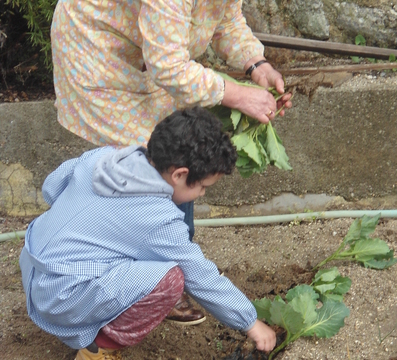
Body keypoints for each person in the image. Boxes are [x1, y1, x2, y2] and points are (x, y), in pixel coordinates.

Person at [51, 0, 293, 321]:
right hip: (97, 49)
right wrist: (237, 94)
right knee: (154, 166)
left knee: (166, 160)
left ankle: (161, 266)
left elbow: (223, 18)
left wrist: (255, 64)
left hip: (143, 58)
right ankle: (145, 280)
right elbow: (167, 66)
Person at [19, 107, 277, 360]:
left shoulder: (105, 157)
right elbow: (201, 276)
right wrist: (250, 323)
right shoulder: (159, 218)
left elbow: (52, 187)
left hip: (33, 266)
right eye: (203, 187)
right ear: (179, 175)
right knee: (171, 278)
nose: (203, 194)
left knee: (127, 250)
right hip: (60, 298)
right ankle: (97, 350)